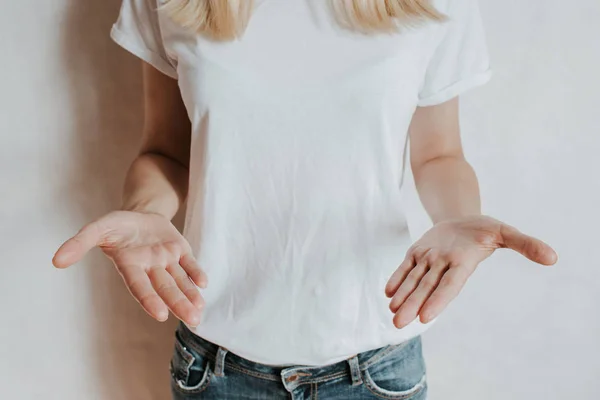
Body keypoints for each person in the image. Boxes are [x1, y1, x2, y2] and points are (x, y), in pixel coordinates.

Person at [52, 0, 558, 398]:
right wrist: (145, 213)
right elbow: (166, 151)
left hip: (376, 368)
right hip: (217, 368)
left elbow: (439, 155)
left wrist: (461, 218)